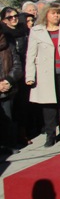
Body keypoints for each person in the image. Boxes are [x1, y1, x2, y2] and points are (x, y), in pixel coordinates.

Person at [25, 3, 60, 147]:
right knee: (48, 107)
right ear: (46, 14)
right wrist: (30, 76)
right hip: (45, 74)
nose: (56, 16)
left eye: (58, 13)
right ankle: (50, 135)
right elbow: (31, 55)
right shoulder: (36, 31)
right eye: (53, 13)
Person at [1, 7, 31, 145]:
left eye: (15, 16)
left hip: (21, 71)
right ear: (3, 20)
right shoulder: (5, 35)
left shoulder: (24, 31)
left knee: (22, 107)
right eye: (10, 17)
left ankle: (22, 134)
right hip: (8, 74)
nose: (14, 19)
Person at [0, 26, 23, 155]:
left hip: (7, 87)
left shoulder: (9, 42)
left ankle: (9, 143)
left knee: (8, 118)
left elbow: (17, 65)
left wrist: (8, 81)